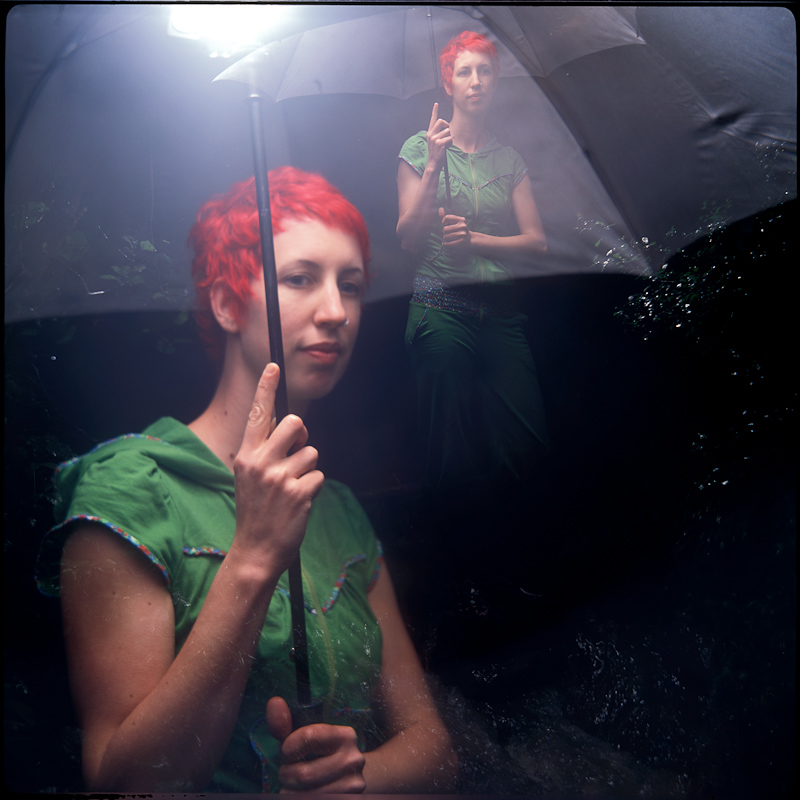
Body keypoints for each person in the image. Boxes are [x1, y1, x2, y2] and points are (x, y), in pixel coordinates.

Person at [35, 167, 457, 793]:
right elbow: (125, 787)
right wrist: (255, 556)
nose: (337, 312)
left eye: (351, 286)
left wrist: (357, 780)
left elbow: (435, 749)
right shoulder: (128, 491)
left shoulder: (338, 507)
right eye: (301, 279)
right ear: (227, 303)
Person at [397, 31, 550, 488]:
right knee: (453, 455)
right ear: (448, 83)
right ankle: (458, 530)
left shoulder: (510, 159)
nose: (476, 81)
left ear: (495, 81)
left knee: (526, 449)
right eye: (464, 72)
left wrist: (476, 241)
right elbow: (407, 238)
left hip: (500, 315)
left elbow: (537, 243)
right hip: (441, 310)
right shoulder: (418, 148)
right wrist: (433, 163)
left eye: (485, 71)